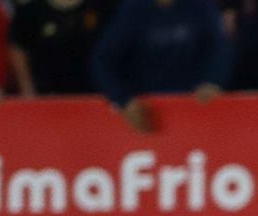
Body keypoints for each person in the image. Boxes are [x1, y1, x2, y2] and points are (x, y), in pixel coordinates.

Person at [91, 0, 232, 131]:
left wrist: (213, 81)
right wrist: (123, 99)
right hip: (147, 110)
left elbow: (221, 49)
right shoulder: (134, 9)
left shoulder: (201, 6)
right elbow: (103, 59)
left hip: (195, 108)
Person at [9, 0, 110, 95]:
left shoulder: (103, 7)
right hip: (46, 96)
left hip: (96, 96)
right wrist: (27, 90)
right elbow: (18, 46)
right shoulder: (30, 12)